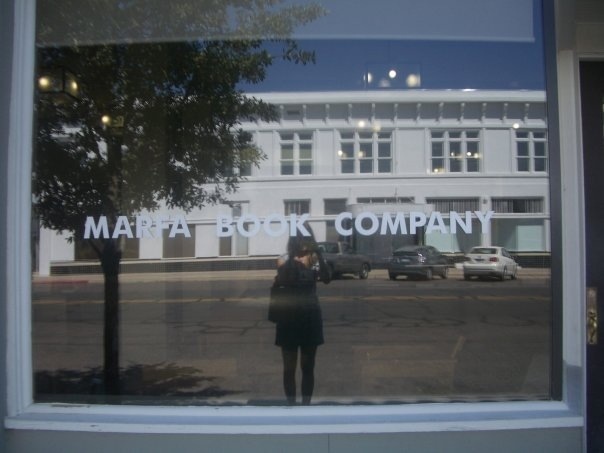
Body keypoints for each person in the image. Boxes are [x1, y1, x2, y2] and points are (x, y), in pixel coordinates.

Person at [272, 231, 331, 405]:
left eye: (307, 239)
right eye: (301, 239)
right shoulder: (283, 259)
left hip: (309, 318)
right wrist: (294, 260)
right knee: (289, 369)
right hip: (288, 318)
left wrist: (319, 254)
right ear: (294, 241)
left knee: (308, 367)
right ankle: (291, 406)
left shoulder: (314, 260)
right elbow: (284, 279)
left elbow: (327, 278)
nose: (304, 243)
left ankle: (306, 406)